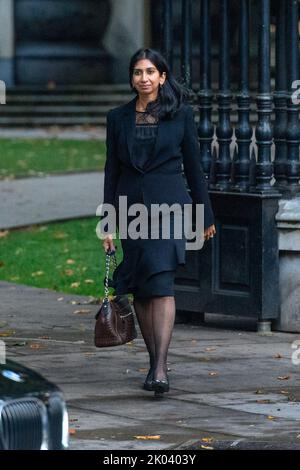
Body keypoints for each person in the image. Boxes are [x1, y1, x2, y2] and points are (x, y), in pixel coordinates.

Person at [101, 48, 216, 396]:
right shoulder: (117, 117)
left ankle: (161, 367)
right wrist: (108, 221)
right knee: (141, 286)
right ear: (132, 78)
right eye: (138, 72)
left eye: (151, 71)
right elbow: (112, 170)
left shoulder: (180, 115)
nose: (144, 78)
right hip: (131, 211)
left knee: (162, 283)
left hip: (170, 210)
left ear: (162, 77)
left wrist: (204, 213)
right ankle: (153, 362)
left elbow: (194, 167)